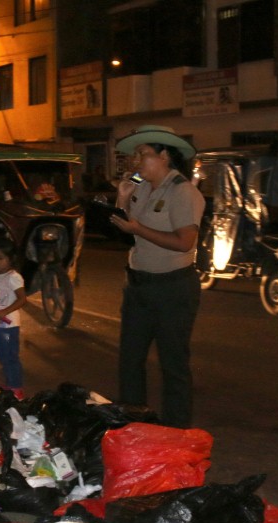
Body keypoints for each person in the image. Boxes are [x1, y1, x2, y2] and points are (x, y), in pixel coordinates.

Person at [109, 124, 204, 428]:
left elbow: (185, 242)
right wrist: (122, 200)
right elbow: (125, 234)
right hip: (138, 286)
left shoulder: (183, 191)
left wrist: (138, 228)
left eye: (143, 154)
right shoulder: (139, 187)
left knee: (173, 364)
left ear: (164, 155)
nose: (136, 161)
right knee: (130, 360)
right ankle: (134, 427)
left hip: (172, 287)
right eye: (135, 155)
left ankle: (176, 432)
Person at [0, 236, 28, 398]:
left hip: (8, 326)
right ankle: (10, 383)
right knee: (2, 355)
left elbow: (22, 299)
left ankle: (16, 388)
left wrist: (5, 311)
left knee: (10, 356)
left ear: (11, 259)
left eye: (0, 258)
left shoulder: (13, 277)